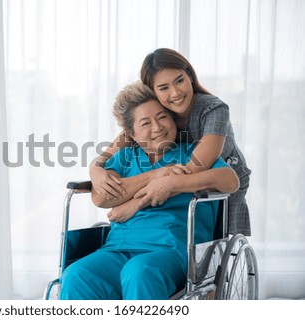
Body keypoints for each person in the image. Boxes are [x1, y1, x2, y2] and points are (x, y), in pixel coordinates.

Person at [59, 81, 239, 300]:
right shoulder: (124, 158)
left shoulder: (193, 155)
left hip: (171, 249)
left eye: (162, 117)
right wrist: (156, 175)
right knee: (77, 274)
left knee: (139, 272)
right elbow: (101, 198)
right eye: (145, 123)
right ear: (131, 134)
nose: (157, 127)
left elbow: (230, 181)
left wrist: (172, 183)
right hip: (118, 248)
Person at [90, 48, 251, 236]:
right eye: (164, 88)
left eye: (179, 81)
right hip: (177, 172)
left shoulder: (214, 110)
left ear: (190, 76)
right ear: (155, 91)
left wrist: (134, 204)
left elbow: (193, 169)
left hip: (216, 172)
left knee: (215, 238)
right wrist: (95, 170)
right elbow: (114, 148)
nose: (175, 93)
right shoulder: (162, 109)